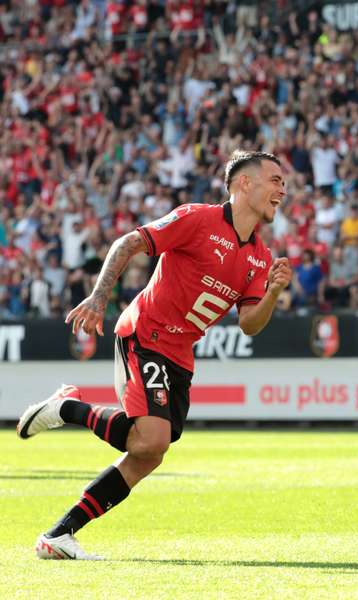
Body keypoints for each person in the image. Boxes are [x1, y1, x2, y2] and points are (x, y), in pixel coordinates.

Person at [16, 151, 292, 559]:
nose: (282, 189)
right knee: (151, 438)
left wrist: (271, 293)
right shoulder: (197, 219)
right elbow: (128, 242)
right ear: (243, 184)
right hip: (145, 333)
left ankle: (58, 534)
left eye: (283, 182)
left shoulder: (260, 258)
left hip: (179, 355)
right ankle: (69, 409)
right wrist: (98, 295)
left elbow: (250, 323)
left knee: (149, 453)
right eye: (274, 180)